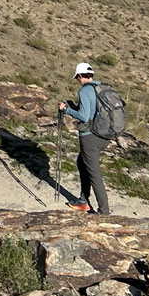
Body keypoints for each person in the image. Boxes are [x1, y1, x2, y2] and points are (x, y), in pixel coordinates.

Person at [58, 62, 111, 215]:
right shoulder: (102, 88)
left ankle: (104, 211)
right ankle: (83, 199)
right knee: (82, 162)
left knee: (94, 173)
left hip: (90, 137)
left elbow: (84, 116)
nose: (77, 80)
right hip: (104, 136)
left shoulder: (85, 91)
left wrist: (66, 109)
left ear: (80, 76)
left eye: (77, 78)